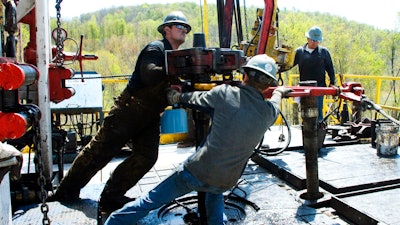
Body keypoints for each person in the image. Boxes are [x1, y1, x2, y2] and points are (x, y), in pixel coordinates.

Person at [104, 54, 293, 225]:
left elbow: (193, 99)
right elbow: (275, 100)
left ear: (245, 75)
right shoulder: (269, 112)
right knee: (214, 191)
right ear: (268, 85)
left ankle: (113, 222)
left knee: (150, 201)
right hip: (227, 180)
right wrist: (280, 92)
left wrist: (176, 96)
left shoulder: (224, 93)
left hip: (196, 171)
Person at [49, 11, 192, 212]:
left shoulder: (175, 58)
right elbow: (149, 73)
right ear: (166, 30)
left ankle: (111, 196)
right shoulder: (156, 48)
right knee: (99, 152)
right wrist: (179, 71)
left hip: (149, 116)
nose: (183, 30)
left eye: (185, 27)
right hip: (128, 111)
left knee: (146, 157)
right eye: (179, 26)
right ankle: (66, 192)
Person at [293, 26, 335, 121]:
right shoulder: (299, 52)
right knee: (305, 112)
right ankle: (307, 130)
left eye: (317, 41)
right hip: (304, 88)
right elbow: (289, 64)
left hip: (319, 88)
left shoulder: (324, 52)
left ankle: (319, 130)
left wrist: (332, 82)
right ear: (307, 39)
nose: (315, 43)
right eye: (313, 40)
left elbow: (330, 68)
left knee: (318, 112)